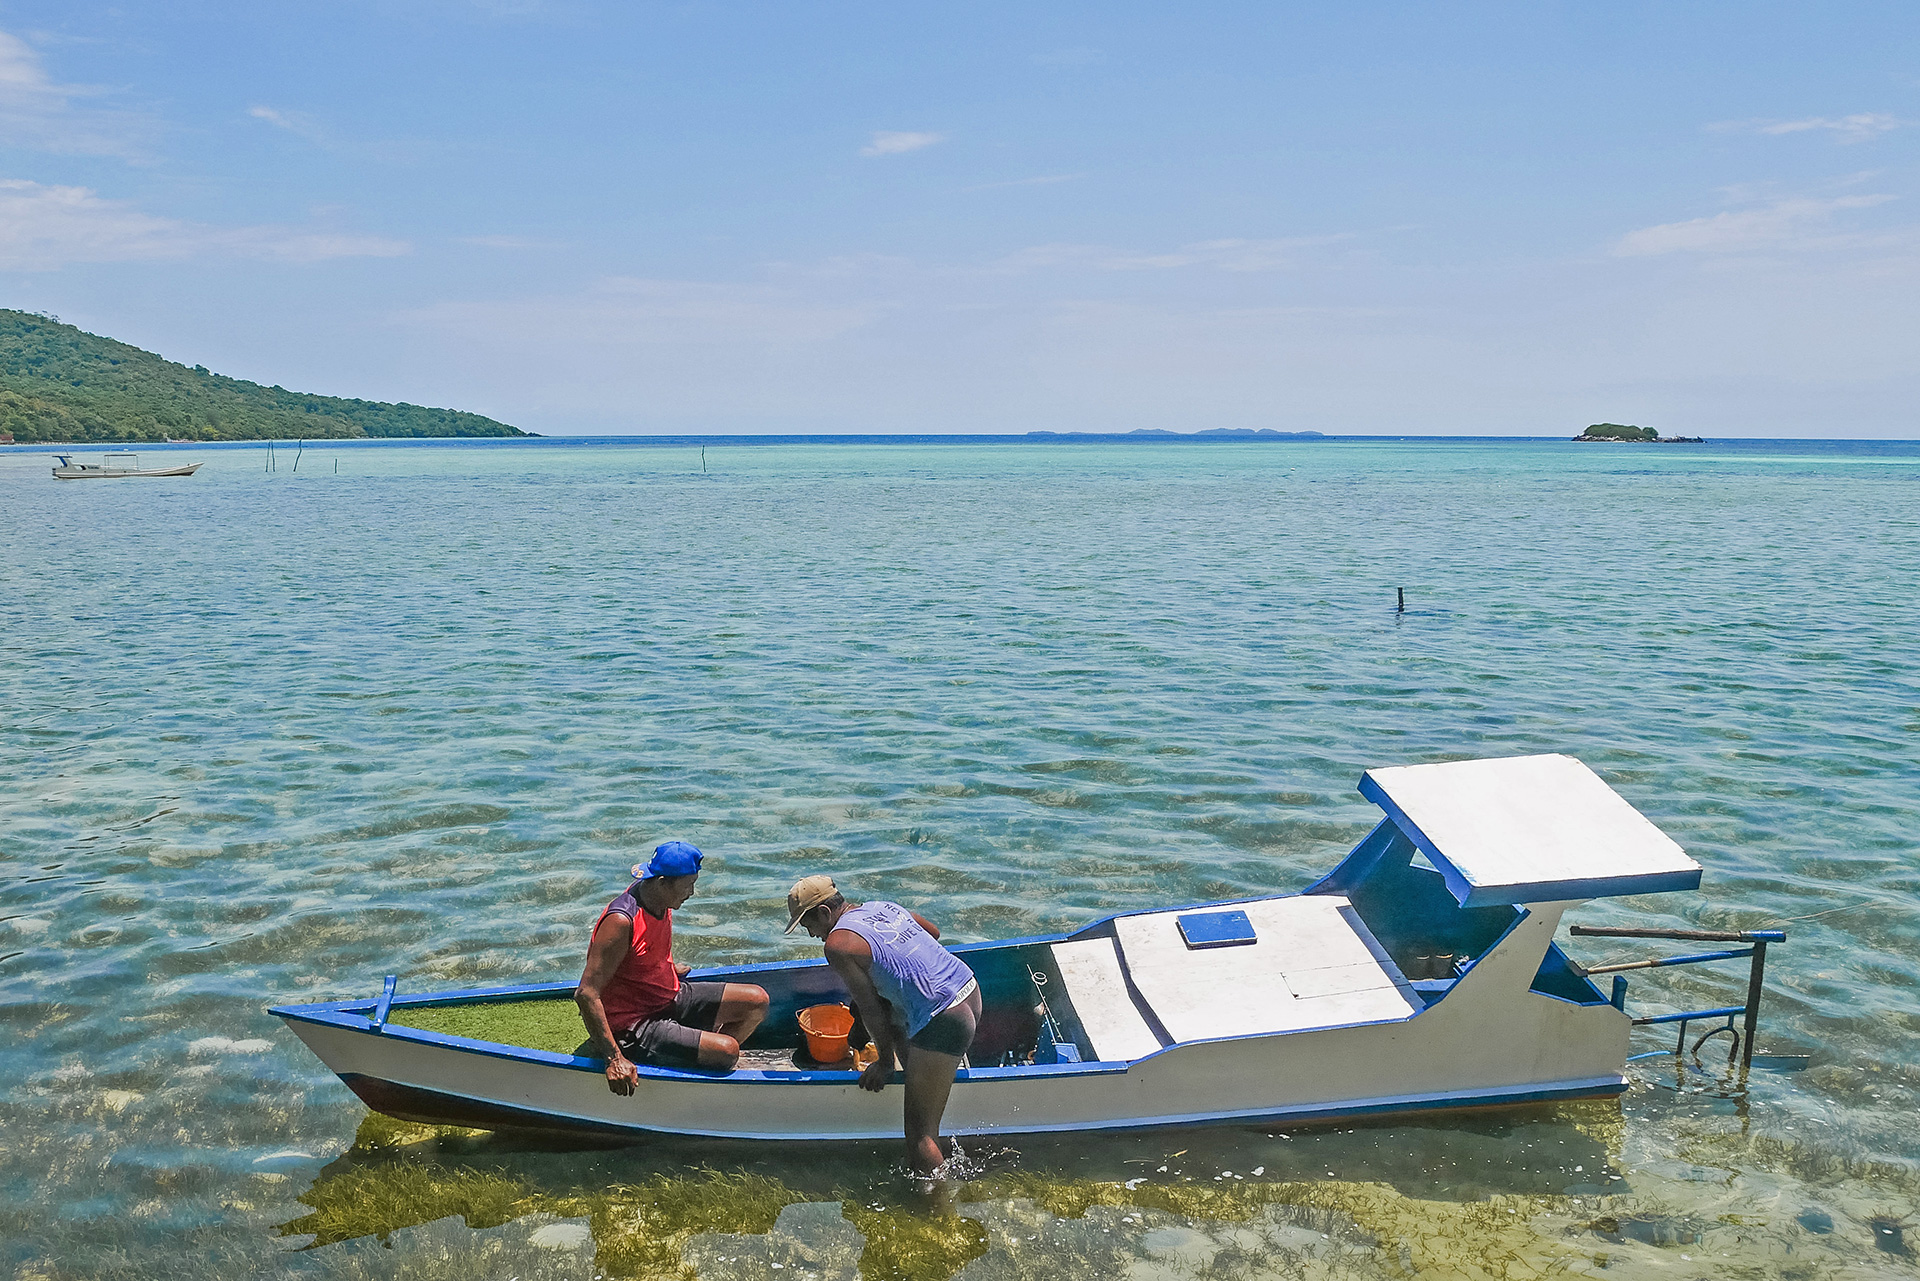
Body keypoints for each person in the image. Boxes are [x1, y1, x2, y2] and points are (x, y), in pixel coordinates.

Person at [785, 874, 980, 1175]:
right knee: (892, 1006)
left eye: (809, 926)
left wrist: (885, 1063)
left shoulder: (837, 945)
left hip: (944, 1020)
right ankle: (921, 1077)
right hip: (968, 988)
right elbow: (934, 933)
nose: (812, 935)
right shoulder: (884, 907)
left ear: (825, 913)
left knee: (919, 1135)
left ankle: (939, 1213)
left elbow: (870, 1009)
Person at [576, 841, 768, 1094]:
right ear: (662, 882)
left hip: (667, 995)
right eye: (687, 885)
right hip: (633, 1024)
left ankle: (694, 1055)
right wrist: (613, 1059)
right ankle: (692, 1067)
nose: (691, 892)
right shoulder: (621, 921)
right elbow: (587, 993)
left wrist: (662, 968)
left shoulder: (661, 900)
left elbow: (643, 951)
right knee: (728, 1051)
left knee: (757, 1001)